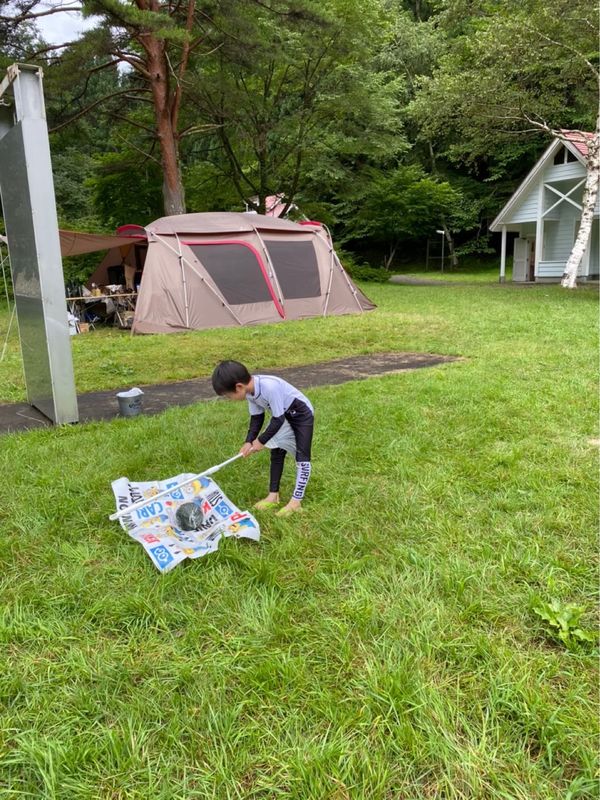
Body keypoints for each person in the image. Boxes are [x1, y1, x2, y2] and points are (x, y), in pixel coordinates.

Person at [211, 360, 314, 517]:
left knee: (302, 457)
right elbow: (257, 418)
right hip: (283, 415)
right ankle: (273, 496)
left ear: (239, 387)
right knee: (276, 452)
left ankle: (295, 502)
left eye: (228, 395)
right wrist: (248, 441)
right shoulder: (250, 392)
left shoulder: (269, 387)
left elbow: (277, 419)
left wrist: (260, 441)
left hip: (301, 414)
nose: (229, 398)